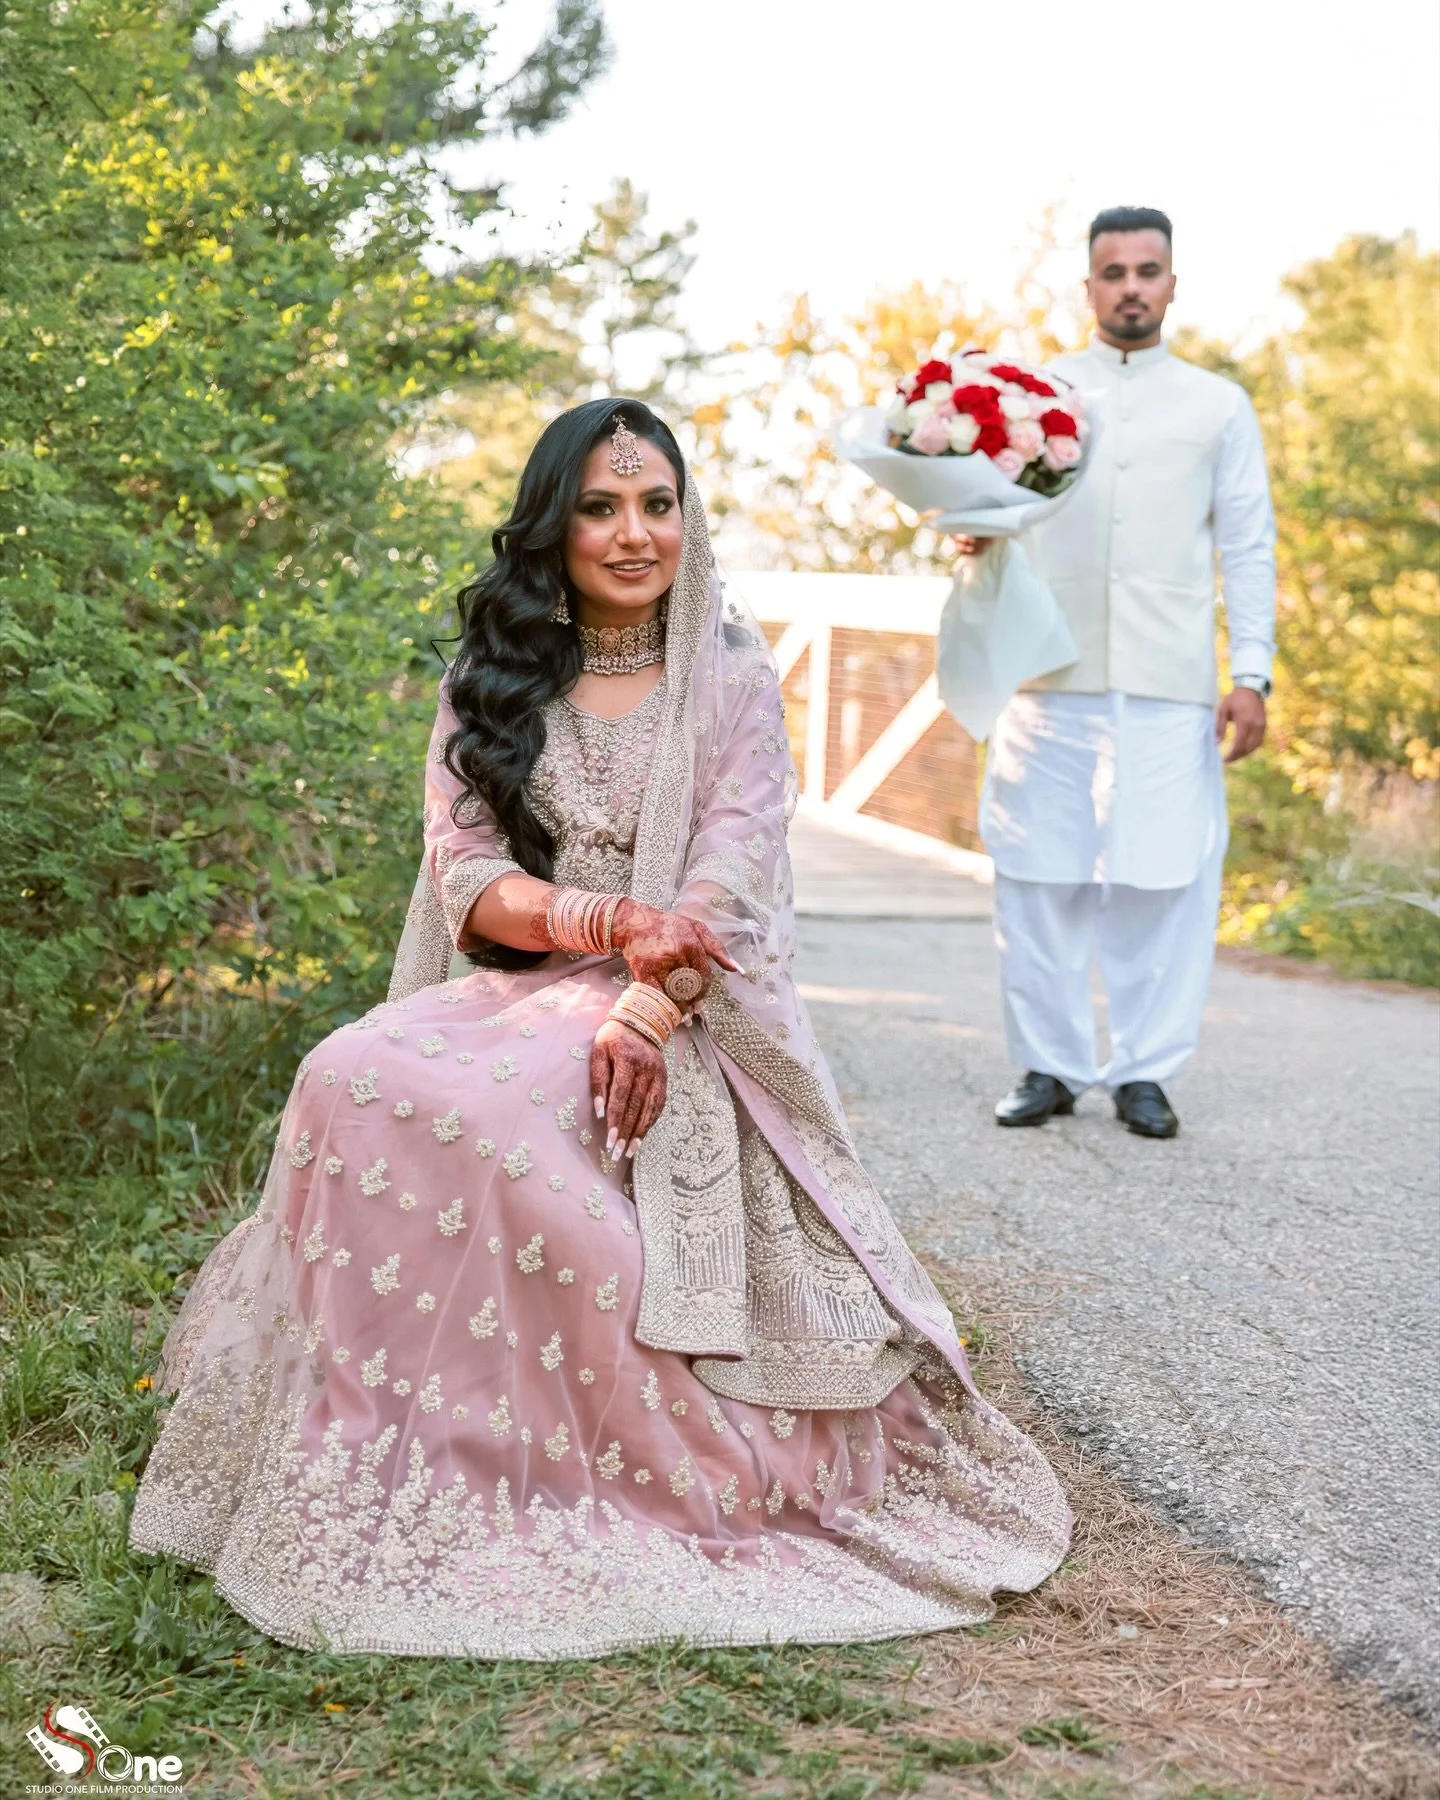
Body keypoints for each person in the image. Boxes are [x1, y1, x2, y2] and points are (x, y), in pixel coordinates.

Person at [129, 397, 1071, 1659]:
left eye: (659, 505)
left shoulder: (730, 678)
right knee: (346, 1068)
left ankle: (564, 1448)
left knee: (504, 1119)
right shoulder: (491, 678)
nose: (635, 534)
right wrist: (608, 925)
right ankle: (365, 1431)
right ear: (553, 526)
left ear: (687, 518)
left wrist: (645, 993)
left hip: (693, 1002)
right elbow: (467, 880)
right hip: (534, 972)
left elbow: (728, 880)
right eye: (602, 507)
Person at [973, 206, 1276, 1139]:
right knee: (1036, 877)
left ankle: (1145, 1072)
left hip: (1168, 682)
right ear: (1090, 285)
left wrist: (1252, 674)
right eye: (1115, 271)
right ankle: (1049, 1065)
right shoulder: (1035, 395)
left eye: (1149, 270)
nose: (1132, 286)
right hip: (1045, 674)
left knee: (1162, 882)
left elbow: (1248, 546)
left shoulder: (1218, 403)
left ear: (1173, 283)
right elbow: (990, 513)